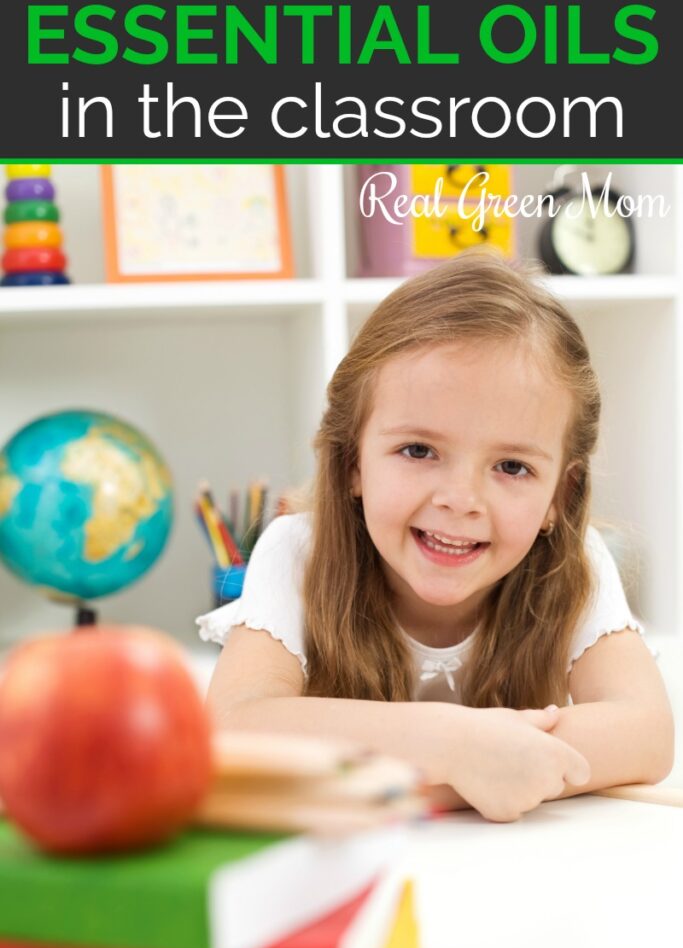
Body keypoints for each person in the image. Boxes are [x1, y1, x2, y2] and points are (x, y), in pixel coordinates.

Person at [198, 251, 674, 823]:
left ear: (558, 497)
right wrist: (453, 744)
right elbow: (233, 730)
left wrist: (455, 773)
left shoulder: (573, 563)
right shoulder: (298, 551)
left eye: (513, 467)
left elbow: (645, 733)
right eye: (419, 451)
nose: (461, 499)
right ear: (352, 461)